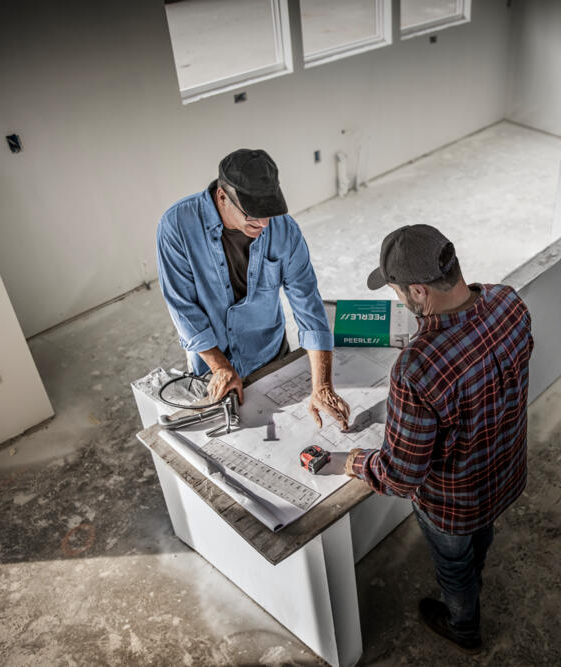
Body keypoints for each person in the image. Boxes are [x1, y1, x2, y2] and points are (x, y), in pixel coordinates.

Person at [343, 224, 533, 652]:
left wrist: (354, 460)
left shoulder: (417, 367)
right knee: (479, 538)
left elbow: (399, 477)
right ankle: (475, 569)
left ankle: (463, 625)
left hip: (453, 505)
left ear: (419, 292)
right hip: (503, 475)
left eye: (398, 292)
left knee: (453, 565)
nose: (399, 302)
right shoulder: (509, 302)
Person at [156, 148, 349, 428]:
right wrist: (220, 367)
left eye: (269, 214)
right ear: (222, 197)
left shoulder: (285, 230)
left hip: (269, 355)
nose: (264, 224)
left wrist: (322, 386)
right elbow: (182, 306)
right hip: (211, 362)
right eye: (253, 215)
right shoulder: (177, 226)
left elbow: (307, 303)